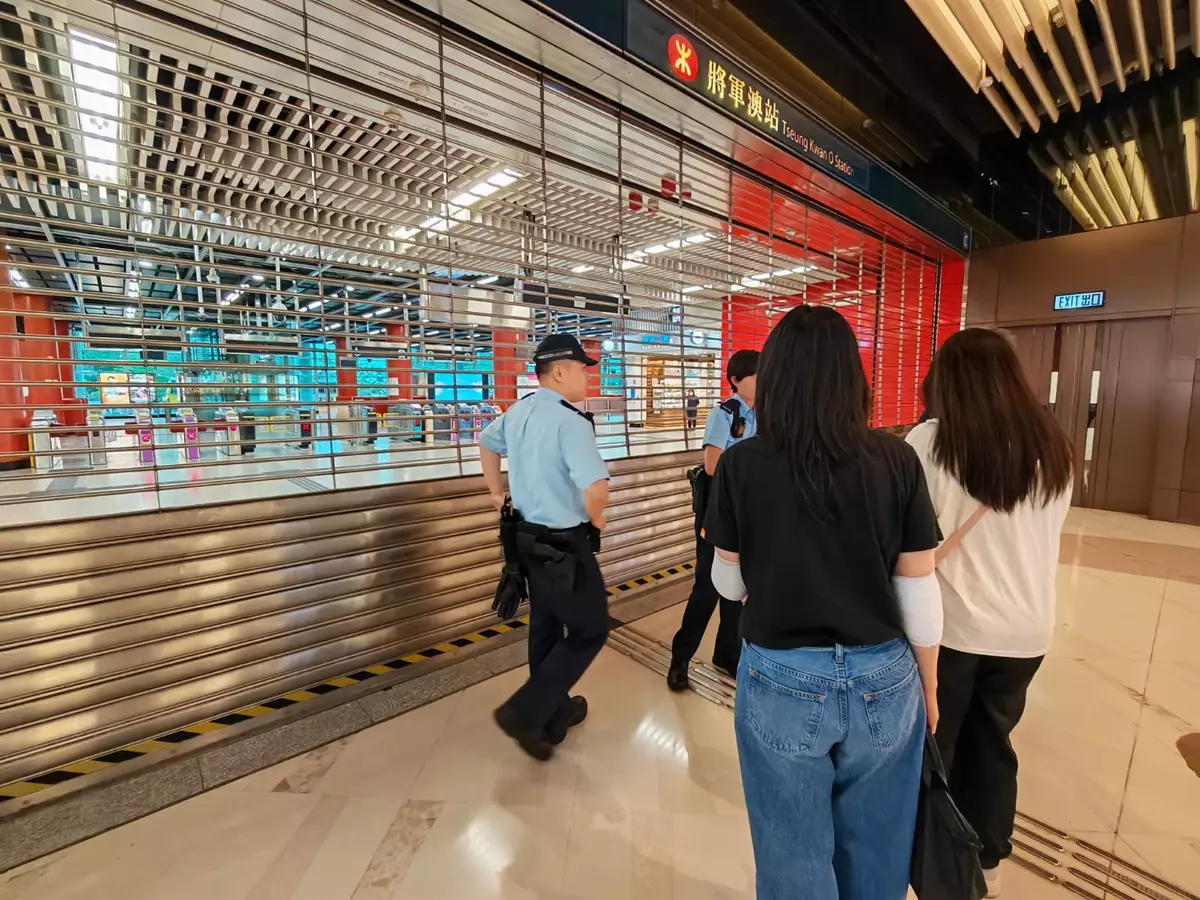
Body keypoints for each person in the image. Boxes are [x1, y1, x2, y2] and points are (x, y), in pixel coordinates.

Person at [704, 306, 942, 900]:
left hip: (781, 673)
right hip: (884, 675)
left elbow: (727, 585)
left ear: (775, 379)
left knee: (791, 852)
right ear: (852, 377)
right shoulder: (896, 458)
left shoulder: (742, 463)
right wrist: (930, 687)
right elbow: (919, 586)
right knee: (878, 845)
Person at [907, 328, 1073, 898]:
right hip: (1026, 629)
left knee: (937, 748)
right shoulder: (1054, 447)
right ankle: (988, 865)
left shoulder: (931, 442)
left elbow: (909, 534)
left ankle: (937, 865)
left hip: (950, 628)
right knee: (994, 744)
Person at [479, 333, 611, 761]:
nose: (588, 376)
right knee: (591, 629)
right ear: (558, 372)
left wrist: (496, 494)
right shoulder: (572, 422)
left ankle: (551, 718)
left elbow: (485, 442)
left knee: (546, 627)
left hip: (527, 540)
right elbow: (596, 487)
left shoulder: (518, 411)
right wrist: (597, 519)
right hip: (565, 546)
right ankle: (525, 712)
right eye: (582, 368)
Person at [667, 349, 759, 691]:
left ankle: (727, 655)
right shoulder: (724, 414)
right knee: (706, 589)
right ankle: (680, 659)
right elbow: (711, 465)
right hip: (719, 512)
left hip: (748, 513)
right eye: (757, 376)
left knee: (737, 588)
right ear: (736, 380)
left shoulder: (765, 414)